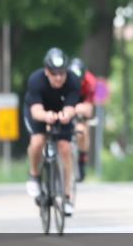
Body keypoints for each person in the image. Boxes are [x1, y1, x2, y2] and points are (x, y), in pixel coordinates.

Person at [24, 47, 81, 215]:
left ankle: (67, 195)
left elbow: (71, 107)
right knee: (38, 141)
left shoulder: (73, 80)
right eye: (54, 73)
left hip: (61, 112)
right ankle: (34, 174)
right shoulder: (36, 80)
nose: (58, 78)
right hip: (39, 111)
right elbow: (36, 112)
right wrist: (46, 116)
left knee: (65, 148)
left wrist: (66, 115)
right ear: (46, 71)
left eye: (62, 73)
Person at [68, 57, 97, 182]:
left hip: (82, 100)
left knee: (83, 130)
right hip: (69, 99)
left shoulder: (90, 82)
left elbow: (89, 108)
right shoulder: (64, 79)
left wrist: (81, 110)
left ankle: (82, 160)